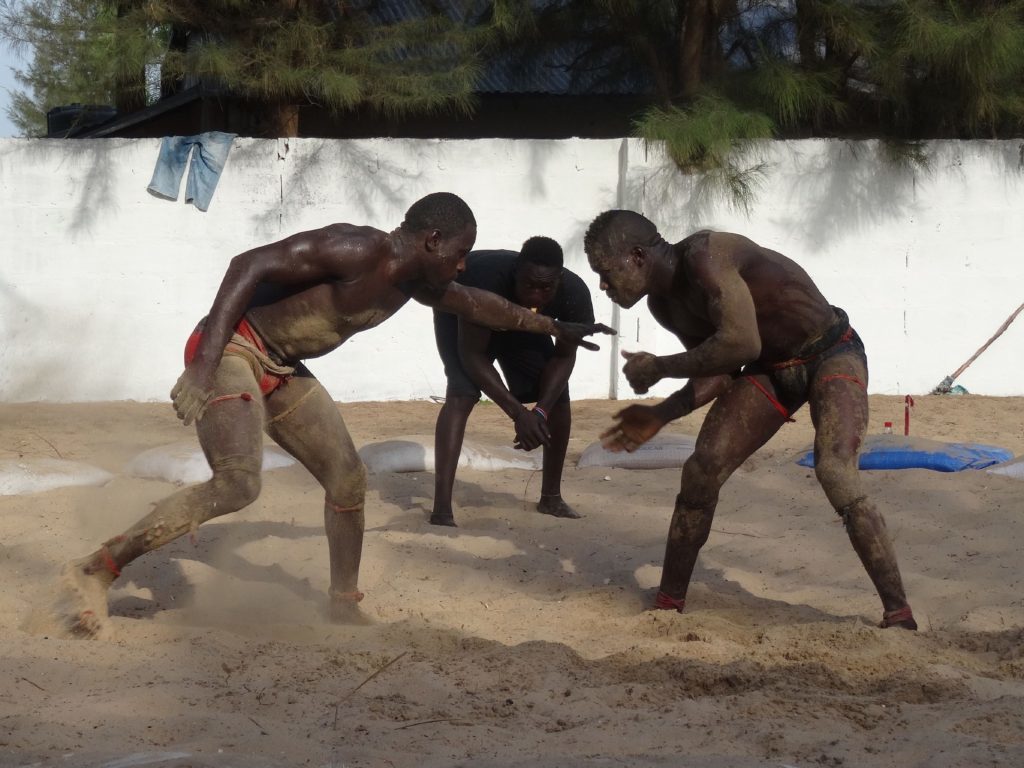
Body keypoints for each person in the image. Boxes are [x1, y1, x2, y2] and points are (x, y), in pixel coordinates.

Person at [56, 193, 613, 638]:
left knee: (349, 478)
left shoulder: (420, 281)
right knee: (239, 483)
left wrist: (554, 328)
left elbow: (480, 305)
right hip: (232, 350)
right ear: (432, 239)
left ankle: (342, 605)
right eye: (459, 253)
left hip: (282, 366)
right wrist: (202, 366)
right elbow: (246, 264)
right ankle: (99, 566)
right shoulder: (356, 249)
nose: (464, 265)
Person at [583, 210, 917, 630]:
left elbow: (741, 342)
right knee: (701, 470)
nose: (603, 285)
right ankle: (668, 606)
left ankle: (898, 612)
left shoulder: (706, 256)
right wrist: (660, 413)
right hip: (771, 370)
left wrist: (661, 367)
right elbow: (718, 369)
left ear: (635, 256)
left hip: (831, 352)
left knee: (834, 469)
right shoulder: (663, 306)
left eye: (606, 271)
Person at [431, 237, 596, 527]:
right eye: (529, 285)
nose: (536, 296)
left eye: (546, 289)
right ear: (515, 273)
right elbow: (473, 356)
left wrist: (540, 412)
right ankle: (442, 508)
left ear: (558, 281)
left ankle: (551, 498)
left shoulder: (574, 295)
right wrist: (519, 414)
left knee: (558, 396)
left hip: (520, 322)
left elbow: (564, 358)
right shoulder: (483, 280)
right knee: (462, 391)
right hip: (463, 311)